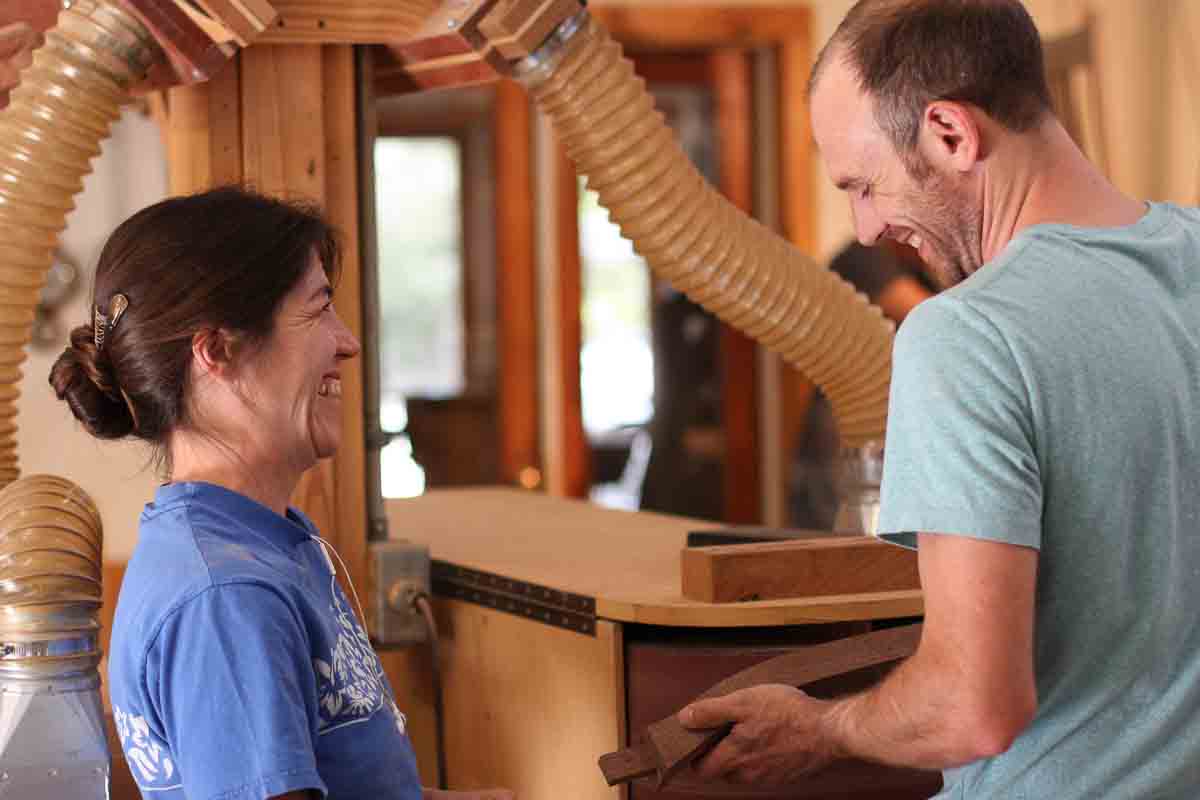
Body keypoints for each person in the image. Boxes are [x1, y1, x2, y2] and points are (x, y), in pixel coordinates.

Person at [677, 2, 1200, 798]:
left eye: (865, 185)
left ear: (951, 133)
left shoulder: (968, 336)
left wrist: (821, 728)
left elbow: (972, 706)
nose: (868, 227)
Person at [51, 187, 512, 800]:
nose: (346, 342)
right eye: (318, 310)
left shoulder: (265, 544)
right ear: (217, 351)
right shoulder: (226, 597)